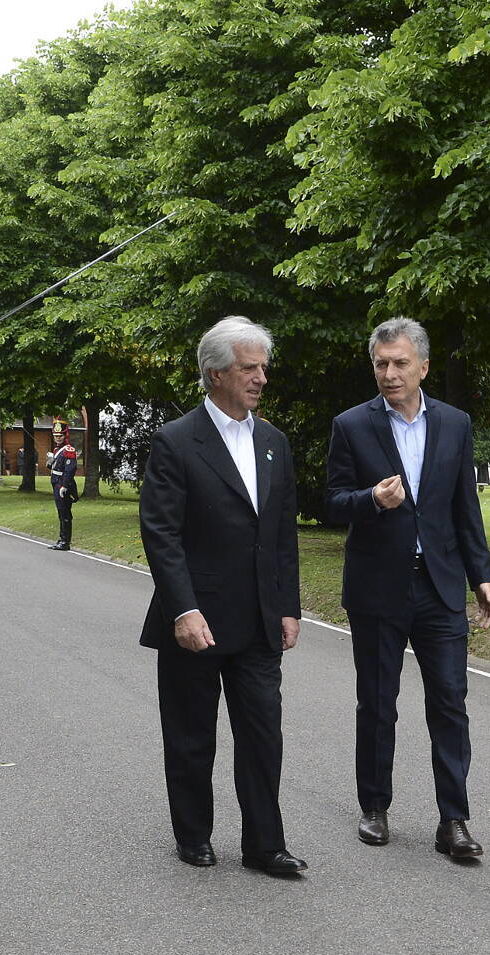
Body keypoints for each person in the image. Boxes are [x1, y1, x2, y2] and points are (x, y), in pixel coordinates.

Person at [325, 317, 490, 862]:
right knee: (378, 703)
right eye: (380, 363)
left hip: (440, 588)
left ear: (423, 366)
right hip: (379, 586)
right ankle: (375, 806)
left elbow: (463, 510)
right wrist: (371, 501)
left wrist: (482, 578)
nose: (389, 373)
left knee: (450, 703)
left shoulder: (454, 424)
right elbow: (331, 503)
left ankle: (454, 820)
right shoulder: (352, 425)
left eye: (400, 362)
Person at [139, 316, 305, 877]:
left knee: (263, 735)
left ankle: (264, 844)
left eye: (263, 367)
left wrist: (288, 606)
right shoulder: (176, 441)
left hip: (259, 620)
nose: (261, 378)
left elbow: (282, 533)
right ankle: (193, 834)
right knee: (191, 736)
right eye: (248, 368)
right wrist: (183, 609)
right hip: (197, 618)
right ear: (215, 374)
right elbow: (160, 534)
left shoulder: (274, 443)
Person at [48, 417, 78, 550]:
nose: (58, 438)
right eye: (56, 436)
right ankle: (61, 539)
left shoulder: (69, 450)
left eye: (60, 435)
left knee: (65, 513)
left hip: (62, 484)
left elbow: (70, 470)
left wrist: (65, 486)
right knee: (60, 513)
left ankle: (65, 542)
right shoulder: (57, 450)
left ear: (65, 435)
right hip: (56, 482)